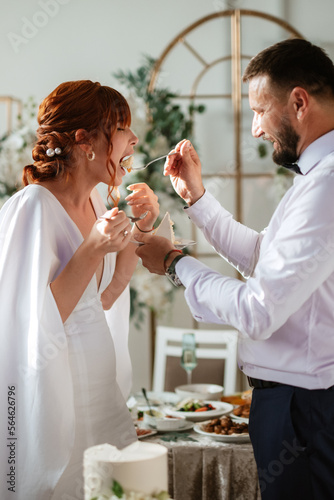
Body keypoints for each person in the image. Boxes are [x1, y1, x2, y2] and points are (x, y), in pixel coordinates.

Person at [135, 38, 334, 500]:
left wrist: (174, 263)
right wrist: (196, 199)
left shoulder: (326, 186)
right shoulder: (316, 179)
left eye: (259, 111)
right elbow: (266, 258)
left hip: (302, 409)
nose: (255, 130)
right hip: (295, 403)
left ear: (299, 102)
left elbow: (259, 310)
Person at [0, 80, 159, 500]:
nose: (134, 139)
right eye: (122, 128)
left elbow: (102, 300)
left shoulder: (99, 207)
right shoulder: (32, 206)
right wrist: (92, 249)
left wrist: (141, 227)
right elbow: (27, 327)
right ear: (85, 140)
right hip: (57, 405)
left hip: (100, 399)